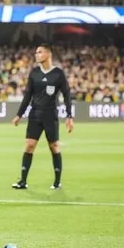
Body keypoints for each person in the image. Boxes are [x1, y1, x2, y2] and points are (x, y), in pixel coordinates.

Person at [12, 43, 74, 190]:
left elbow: (66, 95)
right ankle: (23, 181)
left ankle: (57, 182)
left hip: (50, 115)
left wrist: (69, 116)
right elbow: (28, 95)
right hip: (35, 115)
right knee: (29, 146)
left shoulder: (58, 74)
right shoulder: (34, 73)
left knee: (54, 147)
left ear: (48, 54)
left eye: (39, 52)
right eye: (36, 52)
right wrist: (19, 114)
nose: (36, 55)